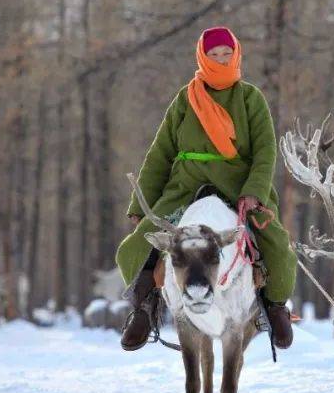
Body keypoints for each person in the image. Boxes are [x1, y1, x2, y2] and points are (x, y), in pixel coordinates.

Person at [115, 26, 297, 350]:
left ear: (236, 54)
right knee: (137, 243)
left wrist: (254, 190)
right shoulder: (185, 99)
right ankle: (143, 309)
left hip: (237, 183)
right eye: (214, 55)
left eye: (227, 54)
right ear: (203, 56)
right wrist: (140, 205)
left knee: (276, 241)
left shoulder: (251, 98)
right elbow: (160, 152)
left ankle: (274, 306)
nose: (221, 60)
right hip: (186, 185)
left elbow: (266, 149)